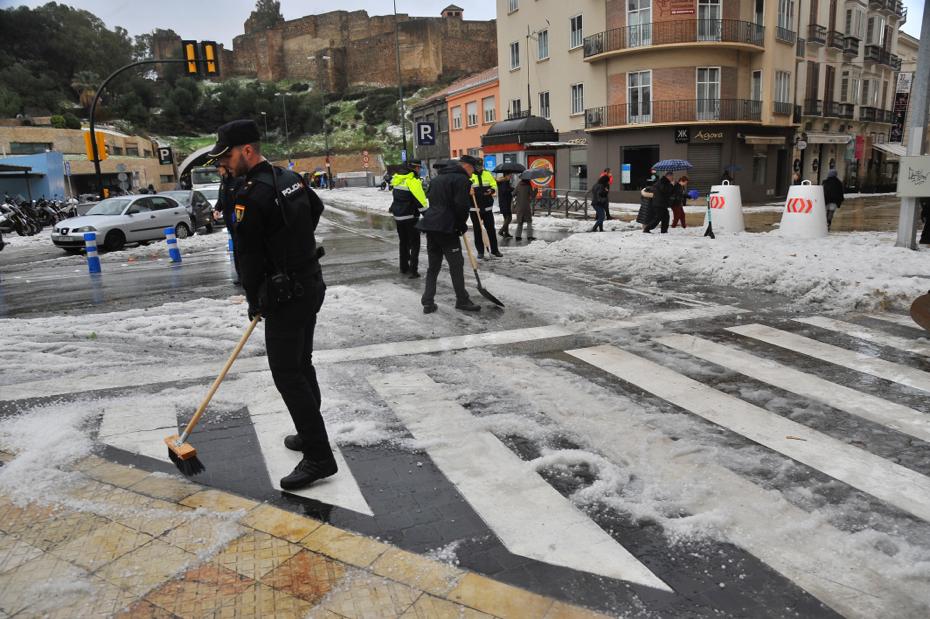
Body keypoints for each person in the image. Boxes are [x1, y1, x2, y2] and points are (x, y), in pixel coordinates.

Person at [208, 119, 334, 491]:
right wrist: (291, 248)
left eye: (227, 157)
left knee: (287, 374)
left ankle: (319, 456)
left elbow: (246, 254)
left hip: (285, 295)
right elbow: (315, 209)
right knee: (301, 364)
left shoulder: (250, 194)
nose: (224, 165)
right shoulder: (286, 177)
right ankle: (309, 431)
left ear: (247, 151)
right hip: (309, 282)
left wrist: (255, 298)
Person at [417, 157, 481, 313]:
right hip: (447, 227)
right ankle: (462, 300)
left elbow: (431, 200)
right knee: (456, 265)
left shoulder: (437, 179)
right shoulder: (461, 179)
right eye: (473, 169)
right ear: (466, 166)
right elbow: (461, 205)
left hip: (431, 225)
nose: (473, 173)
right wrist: (460, 225)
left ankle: (428, 301)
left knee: (434, 266)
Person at [389, 159, 428, 278]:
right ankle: (413, 270)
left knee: (403, 242)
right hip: (410, 217)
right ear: (414, 168)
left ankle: (403, 267)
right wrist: (428, 216)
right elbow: (420, 201)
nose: (419, 170)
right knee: (415, 244)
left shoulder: (398, 179)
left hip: (398, 217)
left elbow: (396, 198)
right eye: (418, 168)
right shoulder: (413, 181)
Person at [462, 155, 501, 258]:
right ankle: (480, 251)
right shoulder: (469, 176)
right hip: (474, 208)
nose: (480, 167)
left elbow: (494, 185)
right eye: (478, 166)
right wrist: (468, 192)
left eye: (481, 165)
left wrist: (491, 190)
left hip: (487, 207)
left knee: (491, 229)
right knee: (477, 230)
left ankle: (495, 250)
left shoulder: (487, 174)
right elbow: (463, 189)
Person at [215, 164, 245, 284]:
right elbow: (221, 199)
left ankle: (246, 275)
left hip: (237, 219)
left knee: (242, 248)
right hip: (229, 220)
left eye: (220, 168)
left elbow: (241, 201)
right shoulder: (224, 182)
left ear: (227, 168)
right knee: (236, 250)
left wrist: (238, 218)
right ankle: (240, 276)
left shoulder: (238, 181)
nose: (219, 171)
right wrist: (217, 209)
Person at [513, 176, 535, 241]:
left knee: (520, 221)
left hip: (519, 206)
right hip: (526, 206)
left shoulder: (519, 185)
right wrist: (536, 190)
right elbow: (532, 195)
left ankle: (518, 236)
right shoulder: (528, 186)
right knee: (529, 221)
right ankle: (529, 236)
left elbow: (513, 193)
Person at [497, 172, 514, 238]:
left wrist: (510, 187)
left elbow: (505, 189)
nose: (511, 176)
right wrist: (511, 189)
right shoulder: (505, 182)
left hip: (503, 202)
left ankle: (506, 233)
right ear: (506, 176)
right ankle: (501, 231)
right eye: (510, 175)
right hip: (505, 202)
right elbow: (505, 190)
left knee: (506, 218)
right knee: (509, 218)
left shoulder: (502, 182)